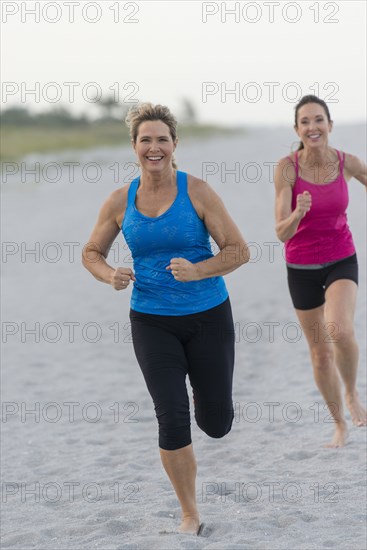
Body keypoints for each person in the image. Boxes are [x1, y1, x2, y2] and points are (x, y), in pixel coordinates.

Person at [82, 103, 249, 534]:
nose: (153, 147)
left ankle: (206, 399)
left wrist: (199, 269)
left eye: (162, 139)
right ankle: (190, 512)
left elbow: (238, 250)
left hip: (209, 315)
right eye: (145, 140)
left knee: (215, 423)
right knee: (170, 413)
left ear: (175, 144)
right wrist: (109, 275)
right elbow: (91, 253)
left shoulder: (198, 192)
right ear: (134, 146)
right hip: (151, 320)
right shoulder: (121, 200)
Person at [274, 94, 367, 448]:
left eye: (318, 120)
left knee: (340, 330)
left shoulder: (347, 162)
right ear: (297, 129)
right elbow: (280, 232)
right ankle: (338, 423)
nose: (312, 127)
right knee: (320, 352)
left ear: (330, 125)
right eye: (305, 122)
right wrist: (298, 213)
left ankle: (352, 393)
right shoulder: (287, 168)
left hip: (341, 258)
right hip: (301, 266)